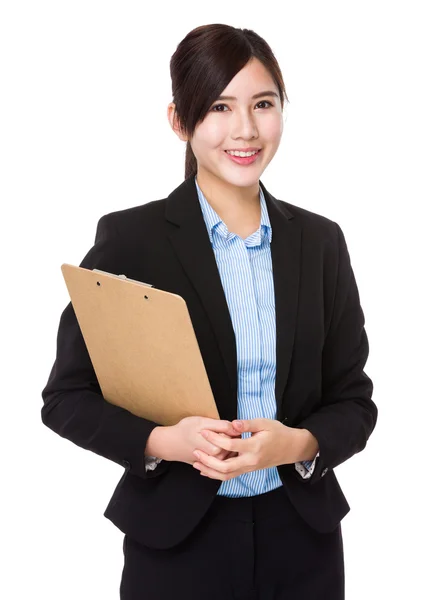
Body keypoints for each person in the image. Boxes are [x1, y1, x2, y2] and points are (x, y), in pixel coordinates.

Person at [41, 23, 377, 600]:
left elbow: (354, 401)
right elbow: (66, 400)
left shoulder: (320, 243)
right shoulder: (130, 241)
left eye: (263, 104)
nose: (245, 129)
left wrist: (295, 445)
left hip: (303, 541)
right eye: (219, 106)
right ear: (180, 120)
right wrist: (166, 441)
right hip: (177, 543)